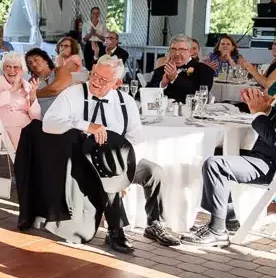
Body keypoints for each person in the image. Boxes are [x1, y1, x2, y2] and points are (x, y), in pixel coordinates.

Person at [43, 56, 181, 252]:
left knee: (154, 172)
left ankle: (154, 224)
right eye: (94, 75)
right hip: (82, 163)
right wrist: (85, 126)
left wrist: (127, 172)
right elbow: (49, 123)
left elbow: (136, 138)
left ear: (117, 83)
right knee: (111, 177)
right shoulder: (73, 94)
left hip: (117, 162)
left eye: (103, 80)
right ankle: (115, 231)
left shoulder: (126, 102)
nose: (95, 82)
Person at [181, 88, 276, 247]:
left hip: (270, 166)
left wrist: (258, 113)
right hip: (263, 159)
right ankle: (230, 220)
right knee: (218, 155)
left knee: (215, 165)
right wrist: (268, 110)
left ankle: (217, 231)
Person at [0, 52, 40, 148]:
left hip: (26, 126)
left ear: (22, 70)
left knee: (46, 137)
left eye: (16, 67)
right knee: (32, 144)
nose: (11, 70)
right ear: (3, 68)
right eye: (7, 66)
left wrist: (33, 98)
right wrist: (12, 90)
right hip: (4, 129)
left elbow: (35, 117)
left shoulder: (26, 85)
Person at [147, 34, 215, 103]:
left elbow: (198, 95)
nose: (177, 53)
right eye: (173, 49)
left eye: (181, 49)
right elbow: (142, 94)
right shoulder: (161, 70)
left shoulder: (205, 70)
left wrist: (175, 78)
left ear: (190, 52)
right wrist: (162, 84)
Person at [26, 47, 72, 114]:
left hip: (67, 115)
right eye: (30, 63)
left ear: (46, 60)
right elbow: (29, 102)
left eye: (36, 60)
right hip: (44, 119)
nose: (33, 64)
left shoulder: (60, 70)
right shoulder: (31, 81)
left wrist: (34, 94)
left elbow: (56, 89)